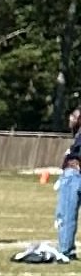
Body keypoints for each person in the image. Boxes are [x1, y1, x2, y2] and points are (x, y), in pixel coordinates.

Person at [55, 109, 81, 260]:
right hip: (73, 174)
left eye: (74, 117)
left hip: (74, 175)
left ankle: (66, 250)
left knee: (66, 214)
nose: (71, 119)